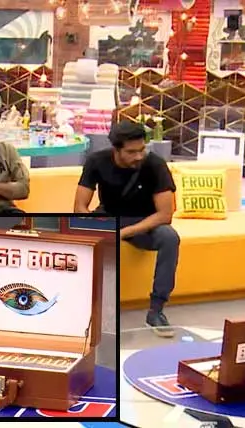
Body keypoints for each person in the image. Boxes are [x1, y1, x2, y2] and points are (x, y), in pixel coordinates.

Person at [74, 120, 179, 337]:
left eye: (141, 150)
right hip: (108, 218)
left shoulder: (155, 165)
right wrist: (88, 225)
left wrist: (124, 233)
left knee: (170, 237)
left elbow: (165, 214)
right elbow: (80, 206)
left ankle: (156, 310)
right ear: (116, 150)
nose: (139, 156)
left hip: (145, 223)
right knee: (77, 237)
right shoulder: (97, 161)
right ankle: (85, 308)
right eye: (131, 152)